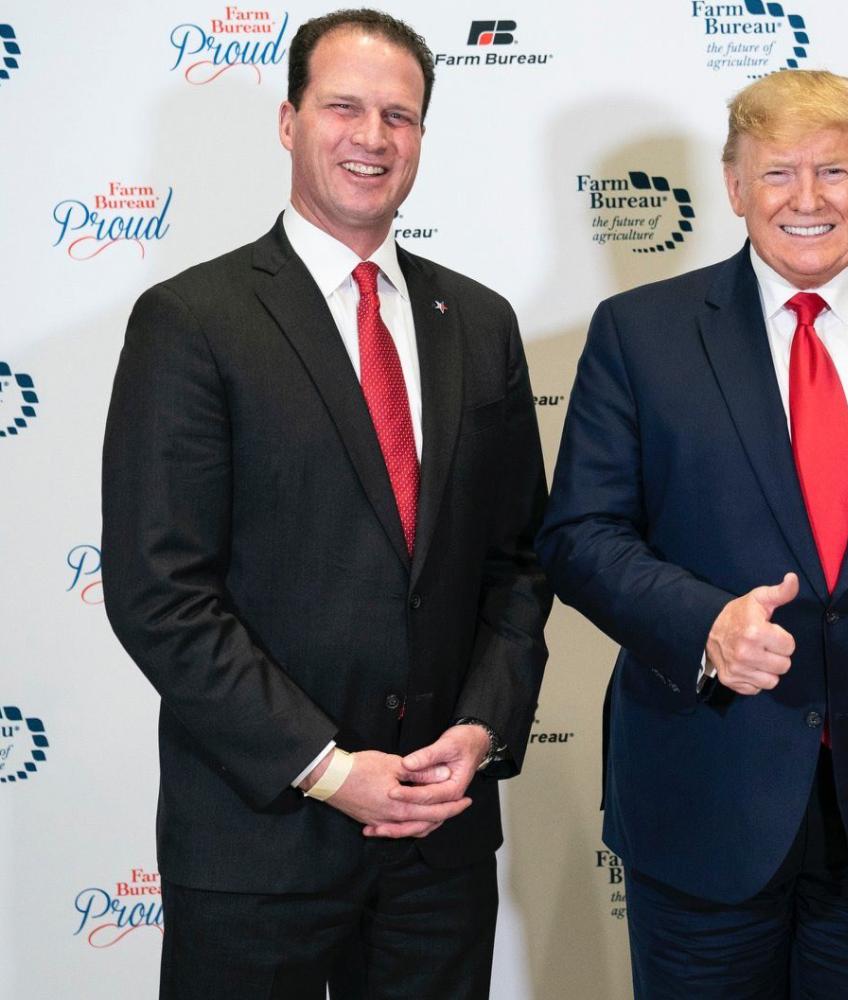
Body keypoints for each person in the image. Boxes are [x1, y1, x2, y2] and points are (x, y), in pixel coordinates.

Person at [536, 70, 848, 998]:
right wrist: (704, 625)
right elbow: (580, 534)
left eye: (835, 172)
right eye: (778, 174)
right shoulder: (642, 334)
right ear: (732, 186)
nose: (808, 200)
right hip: (702, 798)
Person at [100, 10, 550, 999]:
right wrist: (324, 766)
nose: (373, 136)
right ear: (289, 121)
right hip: (260, 847)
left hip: (440, 850)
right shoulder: (191, 322)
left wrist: (482, 729)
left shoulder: (478, 322)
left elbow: (518, 564)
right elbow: (158, 593)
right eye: (343, 107)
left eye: (400, 115)